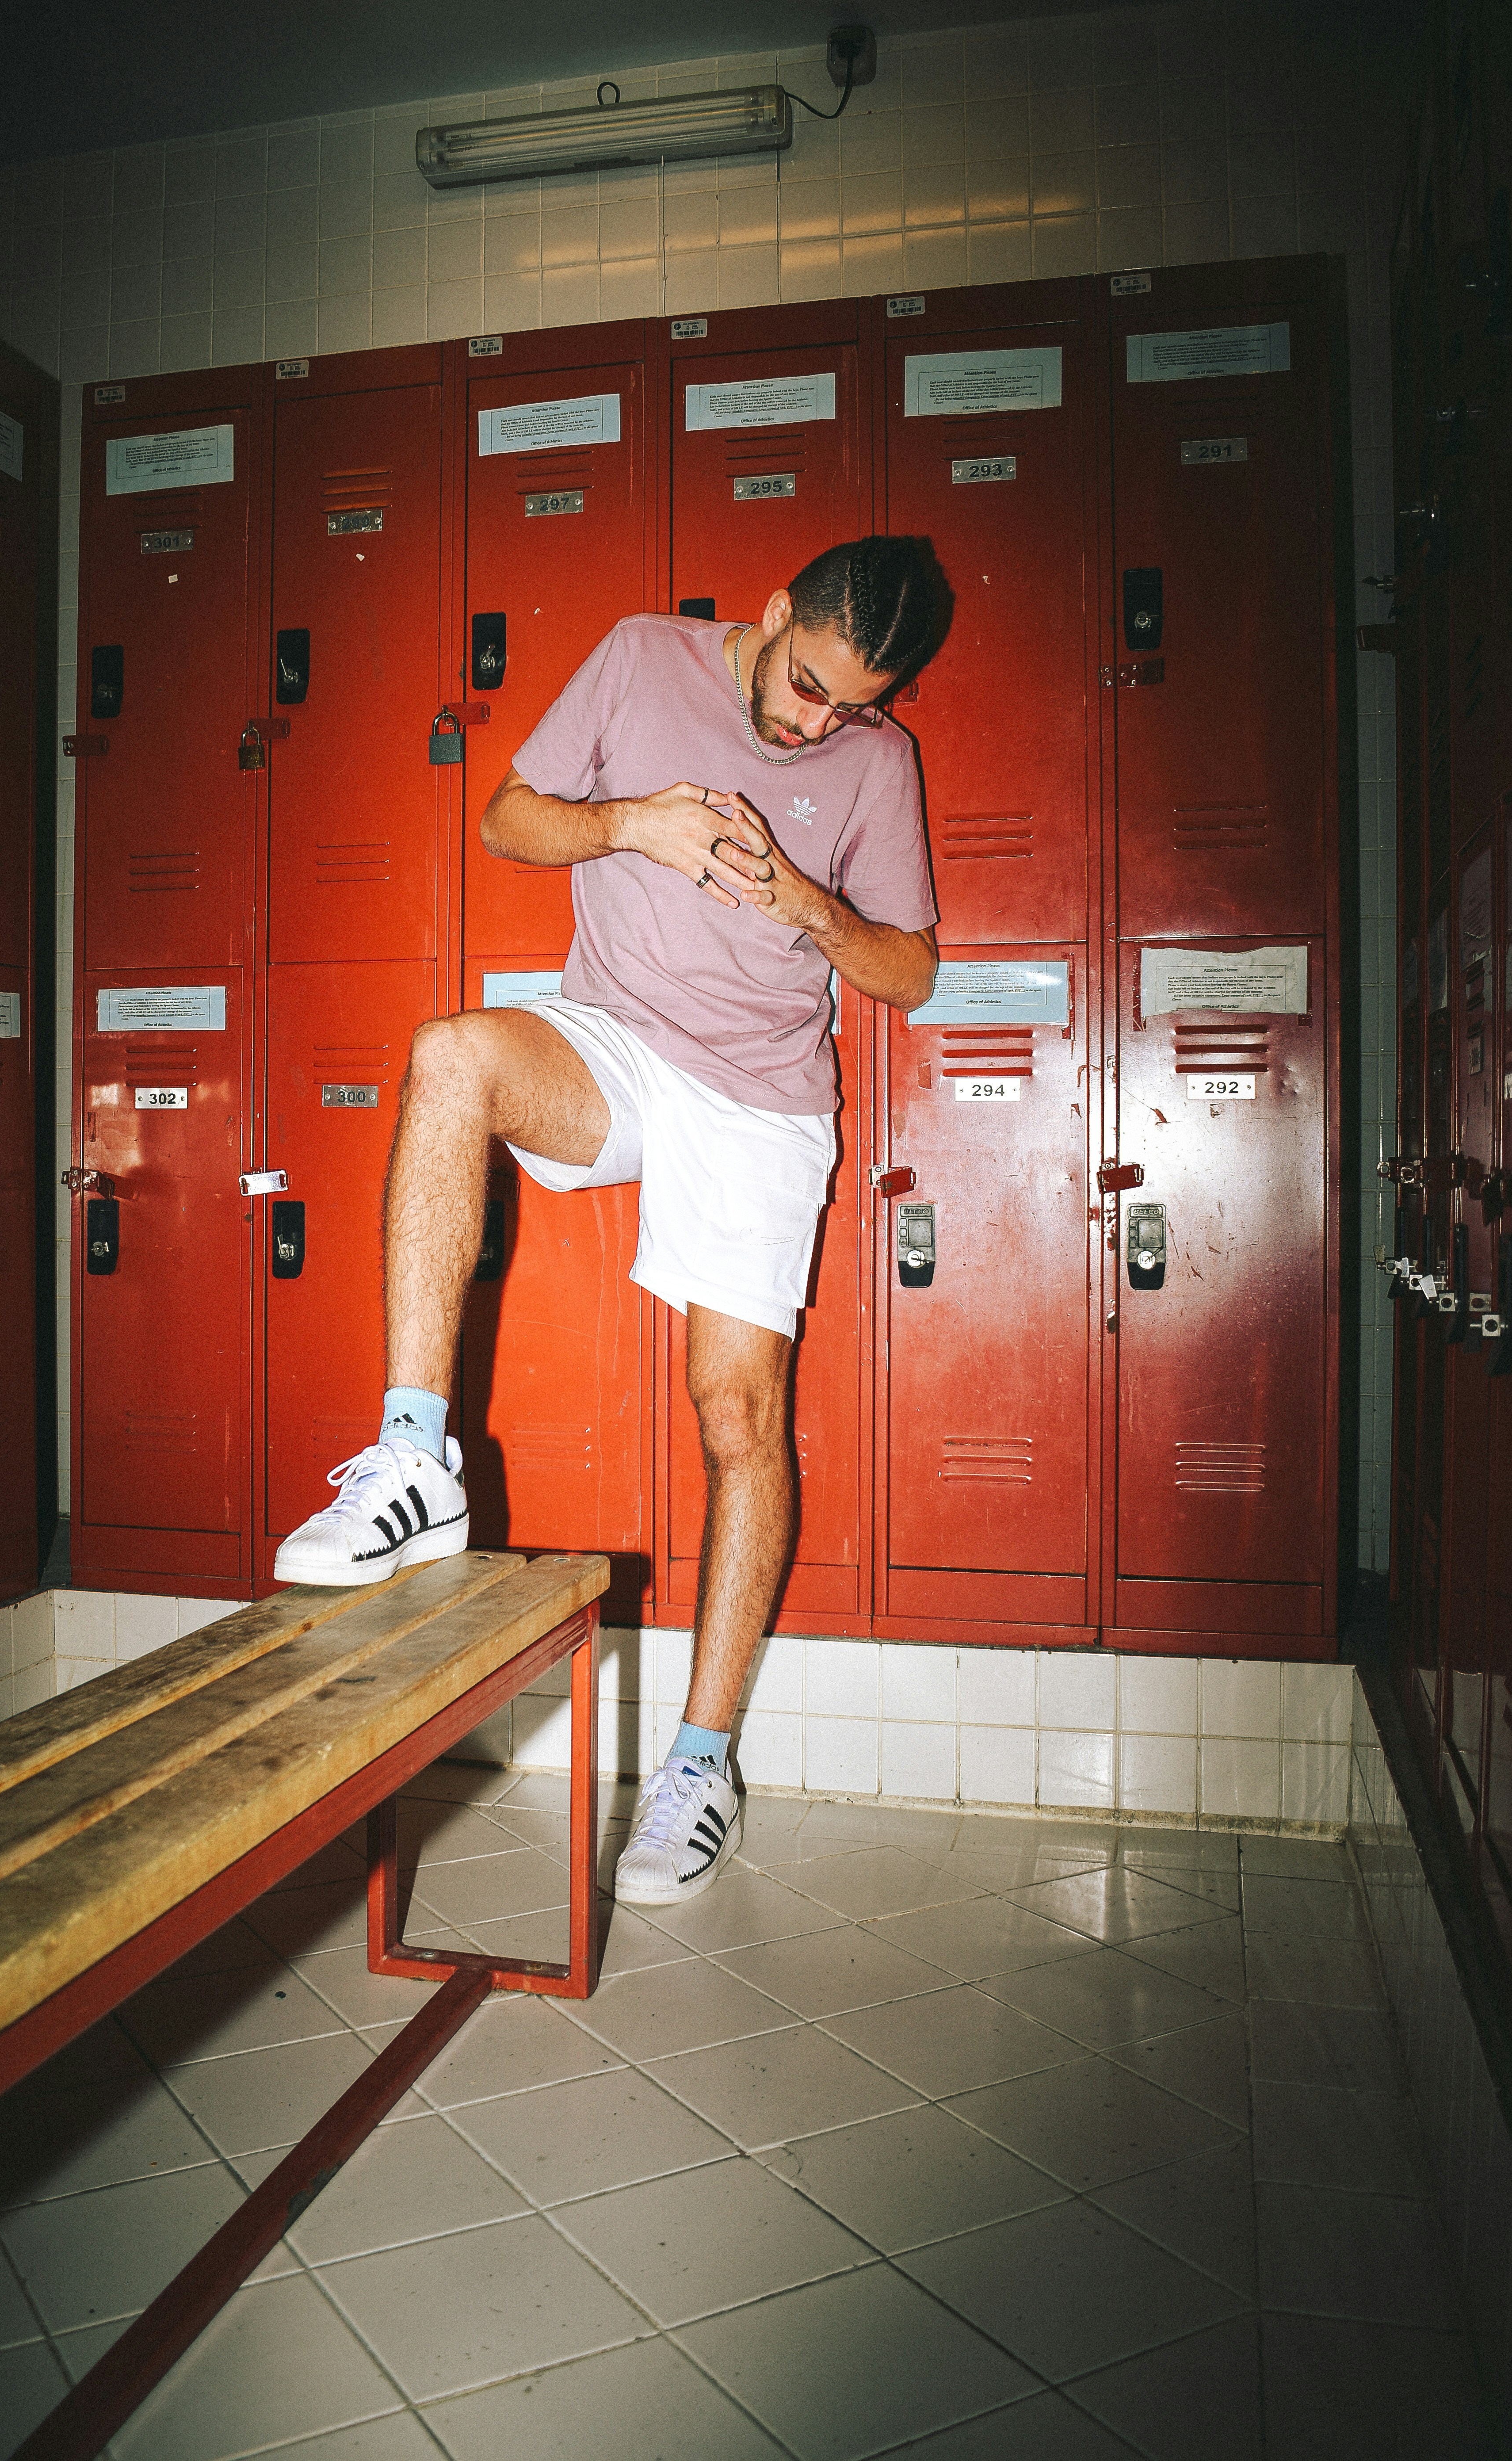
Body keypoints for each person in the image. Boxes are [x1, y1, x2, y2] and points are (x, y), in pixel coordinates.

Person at [275, 535, 946, 1905]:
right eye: (808, 683)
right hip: (618, 1043)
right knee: (451, 1052)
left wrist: (806, 903)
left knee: (738, 1416)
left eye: (849, 705)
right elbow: (508, 817)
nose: (815, 724)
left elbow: (914, 972)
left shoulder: (880, 766)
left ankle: (701, 1764)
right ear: (773, 616)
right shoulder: (645, 656)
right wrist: (634, 819)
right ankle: (416, 1463)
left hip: (762, 1099)